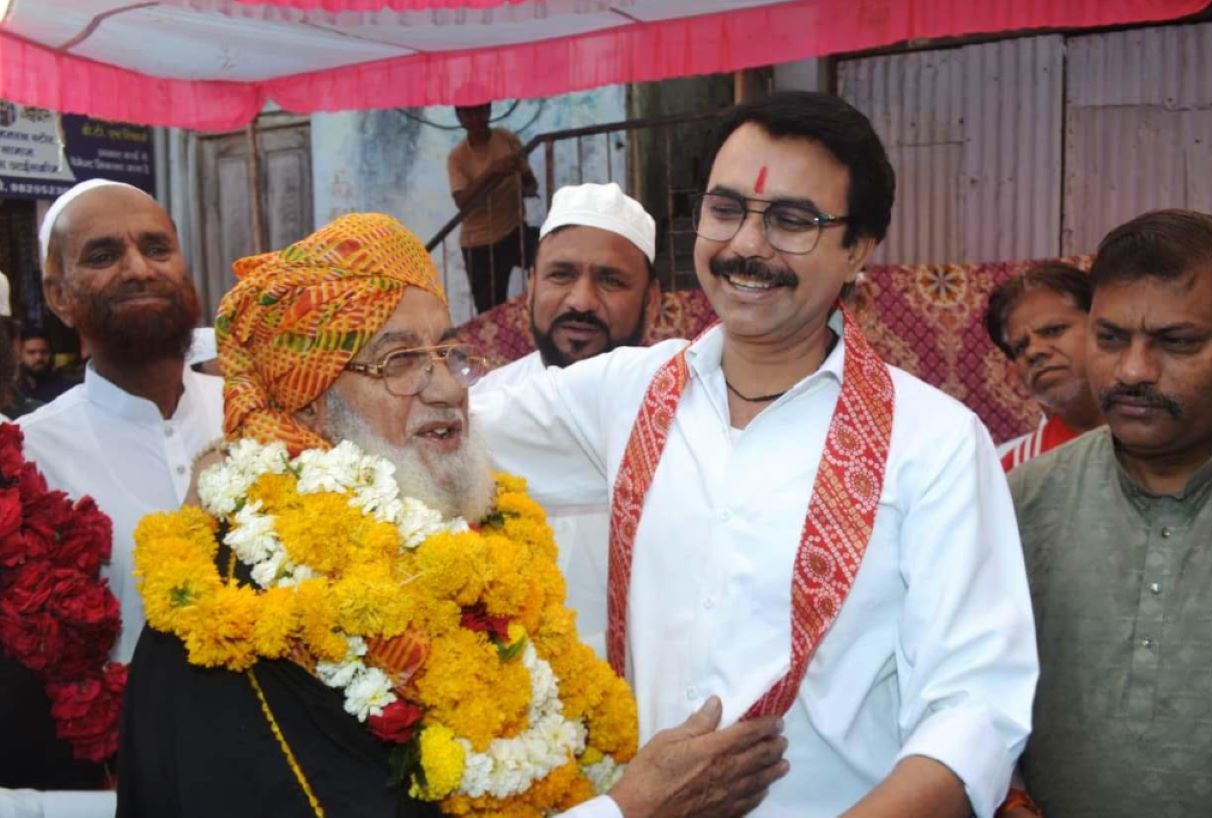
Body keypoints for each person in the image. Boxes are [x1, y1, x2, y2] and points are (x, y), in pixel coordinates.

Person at [474, 91, 1038, 818]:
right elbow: (435, 432)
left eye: (791, 221)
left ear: (858, 248)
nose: (746, 246)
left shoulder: (934, 442)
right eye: (726, 209)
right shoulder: (625, 393)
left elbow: (975, 712)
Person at [117, 213, 787, 818]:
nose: (446, 388)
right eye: (400, 360)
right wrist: (632, 811)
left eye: (447, 353)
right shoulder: (245, 606)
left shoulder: (451, 551)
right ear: (310, 403)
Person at [1009, 210, 1212, 818]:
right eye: (1110, 338)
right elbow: (959, 685)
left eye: (1177, 341)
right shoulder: (1020, 501)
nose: (1133, 371)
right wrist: (1005, 792)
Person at [18, 178, 224, 663]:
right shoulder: (27, 457)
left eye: (157, 249)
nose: (139, 270)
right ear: (58, 297)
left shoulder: (255, 413)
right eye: (103, 256)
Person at [473, 181, 658, 655]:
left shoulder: (671, 408)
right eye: (561, 275)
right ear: (531, 286)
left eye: (611, 280)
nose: (581, 300)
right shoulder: (481, 406)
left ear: (652, 301)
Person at [985, 262, 1103, 470]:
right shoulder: (1011, 471)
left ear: (1105, 330)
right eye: (1020, 347)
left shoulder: (1162, 436)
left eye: (1053, 331)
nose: (1033, 351)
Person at [448, 102, 540, 314]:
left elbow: (530, 182)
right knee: (491, 313)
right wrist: (493, 172)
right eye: (468, 113)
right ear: (459, 117)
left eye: (479, 110)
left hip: (514, 230)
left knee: (551, 260)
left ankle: (536, 319)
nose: (475, 118)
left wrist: (524, 185)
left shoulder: (506, 139)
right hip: (479, 244)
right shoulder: (457, 157)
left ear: (488, 110)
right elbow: (462, 201)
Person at [17, 328, 74, 403]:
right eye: (31, 352)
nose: (39, 357)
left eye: (44, 352)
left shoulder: (66, 389)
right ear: (20, 355)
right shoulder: (11, 389)